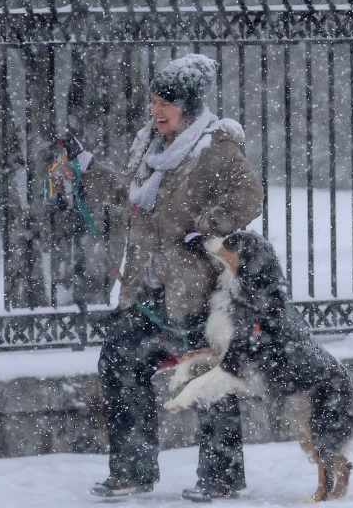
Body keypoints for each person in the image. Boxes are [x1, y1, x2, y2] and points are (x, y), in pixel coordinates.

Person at [75, 53, 265, 501]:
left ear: (190, 106)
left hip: (195, 291)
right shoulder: (149, 147)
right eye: (154, 101)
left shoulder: (215, 148)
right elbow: (129, 195)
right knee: (119, 362)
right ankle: (133, 470)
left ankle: (220, 478)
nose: (156, 111)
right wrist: (86, 169)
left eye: (166, 103)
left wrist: (205, 224)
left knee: (207, 376)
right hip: (146, 288)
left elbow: (250, 197)